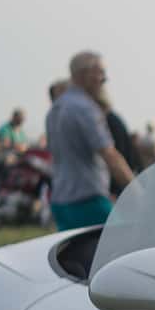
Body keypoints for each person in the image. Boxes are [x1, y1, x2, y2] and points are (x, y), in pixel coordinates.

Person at [45, 50, 134, 229]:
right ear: (85, 74)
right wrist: (137, 190)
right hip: (87, 201)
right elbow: (110, 155)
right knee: (128, 244)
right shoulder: (85, 108)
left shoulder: (56, 108)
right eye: (100, 72)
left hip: (61, 201)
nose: (104, 78)